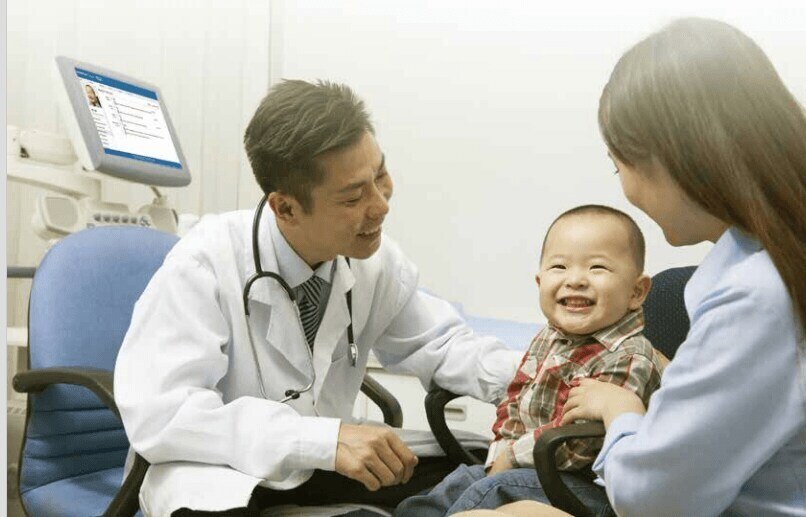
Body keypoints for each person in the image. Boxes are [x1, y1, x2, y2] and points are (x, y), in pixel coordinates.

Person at [457, 17, 806, 516]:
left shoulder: (757, 294)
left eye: (619, 165)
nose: (626, 188)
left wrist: (622, 413)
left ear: (674, 157)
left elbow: (656, 500)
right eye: (559, 266)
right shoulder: (773, 268)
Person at [113, 80, 522, 516]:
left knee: (484, 470)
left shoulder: (374, 262)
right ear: (285, 208)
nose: (381, 205)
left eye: (380, 175)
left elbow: (439, 345)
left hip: (325, 467)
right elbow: (163, 416)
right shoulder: (203, 265)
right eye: (353, 196)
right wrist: (319, 441)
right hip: (225, 474)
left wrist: (541, 375)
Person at [395, 205, 666, 516]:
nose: (575, 280)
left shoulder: (629, 355)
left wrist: (511, 456)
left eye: (597, 268)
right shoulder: (548, 337)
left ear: (636, 291)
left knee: (491, 489)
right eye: (559, 267)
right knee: (458, 481)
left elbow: (581, 445)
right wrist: (500, 453)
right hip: (534, 469)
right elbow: (515, 400)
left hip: (597, 488)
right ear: (540, 283)